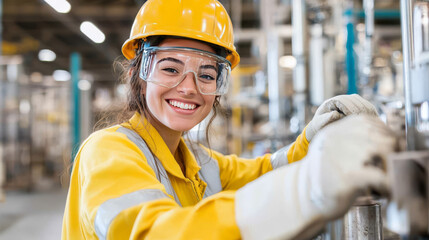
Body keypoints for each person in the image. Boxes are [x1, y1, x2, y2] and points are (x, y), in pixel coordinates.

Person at [61, 0, 396, 239]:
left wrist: (314, 137)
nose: (188, 88)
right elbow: (154, 233)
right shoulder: (107, 151)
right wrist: (303, 190)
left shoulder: (198, 162)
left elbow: (265, 171)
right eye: (170, 69)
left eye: (207, 75)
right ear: (139, 74)